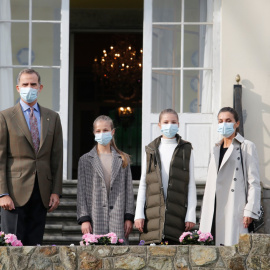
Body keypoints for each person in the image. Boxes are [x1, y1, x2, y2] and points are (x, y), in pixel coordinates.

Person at [0, 69, 63, 245]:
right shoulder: (5, 117)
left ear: (40, 87)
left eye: (33, 84)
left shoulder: (52, 117)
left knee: (35, 247)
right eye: (25, 84)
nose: (29, 87)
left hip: (42, 191)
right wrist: (2, 193)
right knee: (11, 247)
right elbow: (1, 158)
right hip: (13, 193)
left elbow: (56, 158)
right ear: (18, 88)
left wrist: (56, 191)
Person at [199, 107, 261, 246]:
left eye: (228, 120)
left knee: (234, 252)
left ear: (237, 123)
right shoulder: (215, 148)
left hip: (235, 206)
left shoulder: (246, 146)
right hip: (214, 206)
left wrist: (250, 210)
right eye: (220, 121)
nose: (224, 124)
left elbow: (254, 182)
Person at [134, 108, 197, 244]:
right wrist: (139, 214)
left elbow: (190, 184)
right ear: (159, 125)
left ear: (178, 124)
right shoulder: (150, 150)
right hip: (153, 213)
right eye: (166, 122)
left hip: (177, 212)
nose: (169, 125)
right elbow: (143, 183)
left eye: (173, 122)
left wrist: (191, 214)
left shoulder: (186, 149)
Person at [77, 115, 134, 244]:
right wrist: (84, 218)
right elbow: (81, 191)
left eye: (105, 130)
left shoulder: (122, 159)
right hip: (95, 216)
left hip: (118, 217)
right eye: (98, 131)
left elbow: (129, 190)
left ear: (112, 132)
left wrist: (128, 217)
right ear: (94, 133)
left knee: (119, 255)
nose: (102, 134)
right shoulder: (85, 160)